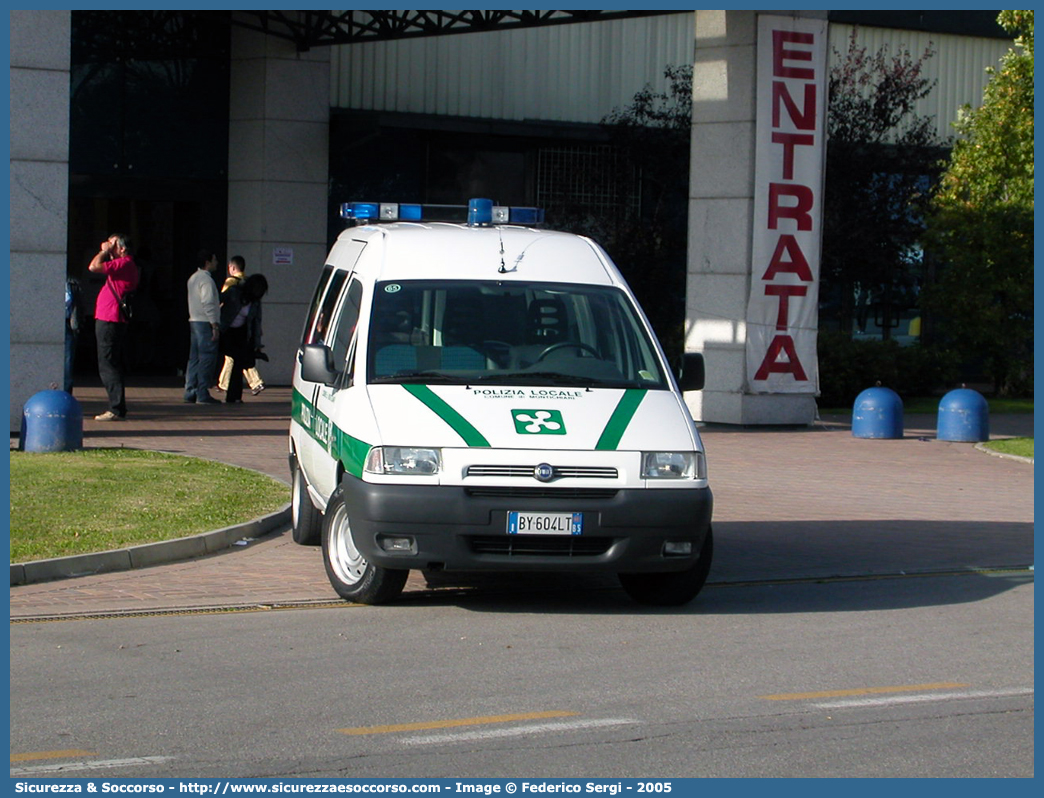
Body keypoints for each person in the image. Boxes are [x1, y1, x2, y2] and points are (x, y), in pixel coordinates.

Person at [88, 233, 139, 421]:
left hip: (111, 319)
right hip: (109, 318)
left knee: (108, 364)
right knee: (109, 362)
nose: (107, 246)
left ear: (122, 248)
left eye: (112, 244)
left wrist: (103, 251)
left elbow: (93, 266)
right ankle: (117, 406)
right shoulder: (123, 265)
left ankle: (116, 408)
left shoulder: (125, 263)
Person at [217, 256, 266, 396]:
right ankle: (227, 385)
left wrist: (256, 342)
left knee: (236, 359)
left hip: (239, 331)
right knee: (235, 358)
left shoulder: (231, 282)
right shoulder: (237, 288)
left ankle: (229, 386)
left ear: (232, 268)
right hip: (229, 330)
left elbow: (256, 320)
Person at [183, 249, 222, 405]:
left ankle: (190, 390)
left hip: (194, 320)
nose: (216, 262)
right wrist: (214, 324)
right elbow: (208, 303)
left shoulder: (193, 278)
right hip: (205, 322)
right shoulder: (207, 280)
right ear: (208, 262)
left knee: (194, 358)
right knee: (207, 357)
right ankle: (202, 392)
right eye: (214, 260)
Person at [64, 276, 84, 394]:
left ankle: (66, 396)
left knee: (67, 364)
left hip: (67, 324)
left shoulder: (72, 283)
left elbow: (79, 305)